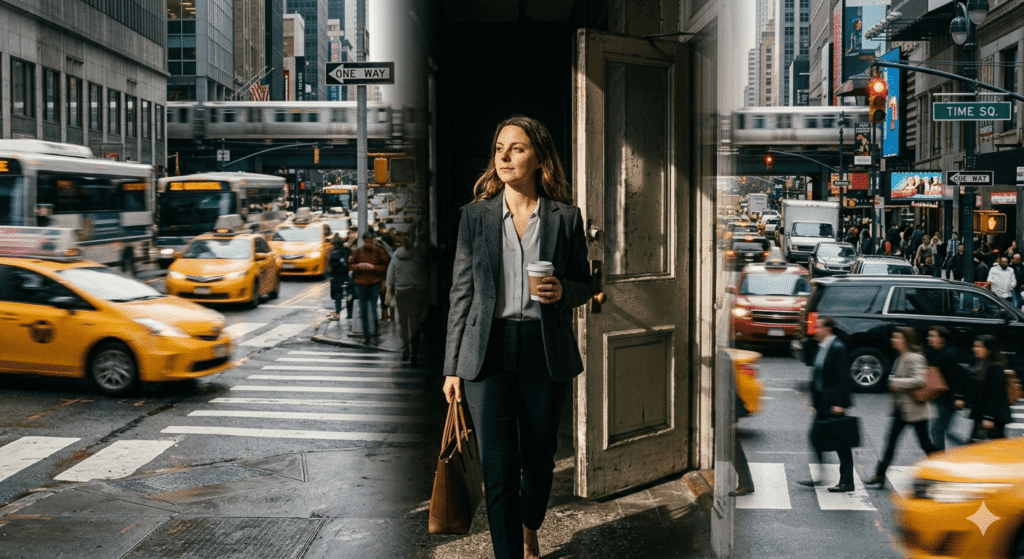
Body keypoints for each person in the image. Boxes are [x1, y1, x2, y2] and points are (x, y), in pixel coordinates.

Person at [441, 116, 593, 559]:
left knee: (540, 462)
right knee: (499, 469)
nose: (504, 157)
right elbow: (461, 294)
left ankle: (530, 523)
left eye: (517, 148)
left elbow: (585, 283)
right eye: (499, 148)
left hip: (542, 353)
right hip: (485, 354)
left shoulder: (566, 219)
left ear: (538, 157)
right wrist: (452, 366)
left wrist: (564, 291)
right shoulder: (476, 217)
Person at [866, 327, 939, 488]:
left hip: (916, 410)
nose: (893, 340)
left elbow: (920, 379)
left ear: (905, 339)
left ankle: (943, 470)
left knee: (925, 443)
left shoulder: (915, 358)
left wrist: (897, 383)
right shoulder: (902, 357)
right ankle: (879, 474)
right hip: (902, 410)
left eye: (897, 337)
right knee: (891, 442)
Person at [797, 317, 855, 493]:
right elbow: (815, 371)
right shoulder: (822, 346)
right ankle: (821, 476)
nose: (815, 330)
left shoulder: (837, 348)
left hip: (833, 403)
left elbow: (843, 378)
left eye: (819, 327)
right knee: (816, 437)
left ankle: (846, 481)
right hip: (823, 402)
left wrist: (840, 404)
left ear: (828, 329)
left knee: (841, 443)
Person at [959, 335, 1013, 440]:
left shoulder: (995, 367)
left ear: (989, 350)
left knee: (992, 448)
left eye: (980, 346)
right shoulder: (979, 364)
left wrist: (989, 417)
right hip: (982, 414)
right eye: (975, 346)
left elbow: (995, 394)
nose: (975, 349)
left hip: (993, 417)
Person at [385, 233, 428, 363]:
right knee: (414, 323)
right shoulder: (417, 255)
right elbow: (424, 271)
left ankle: (406, 349)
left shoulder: (396, 255)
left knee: (403, 324)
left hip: (400, 293)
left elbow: (390, 274)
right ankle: (415, 352)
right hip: (414, 292)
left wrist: (389, 290)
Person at [925, 326, 968, 451]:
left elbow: (957, 378)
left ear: (942, 339)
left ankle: (940, 456)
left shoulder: (950, 354)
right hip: (941, 397)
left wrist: (958, 397)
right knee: (943, 430)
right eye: (929, 335)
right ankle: (969, 449)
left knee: (937, 429)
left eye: (933, 336)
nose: (930, 338)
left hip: (949, 399)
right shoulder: (933, 353)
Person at [348, 231, 391, 344]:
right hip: (361, 284)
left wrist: (373, 268)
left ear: (373, 241)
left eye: (370, 241)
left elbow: (385, 267)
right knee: (363, 312)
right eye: (367, 241)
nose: (368, 243)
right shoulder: (357, 251)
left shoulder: (379, 251)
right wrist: (358, 266)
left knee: (373, 309)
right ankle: (367, 336)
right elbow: (350, 265)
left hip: (374, 284)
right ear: (363, 240)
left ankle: (375, 334)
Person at [327, 233, 353, 321]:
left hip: (336, 277)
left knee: (338, 296)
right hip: (347, 276)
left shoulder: (333, 253)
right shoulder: (347, 251)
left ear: (334, 244)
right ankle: (349, 314)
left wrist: (330, 275)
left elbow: (330, 267)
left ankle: (337, 313)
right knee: (349, 295)